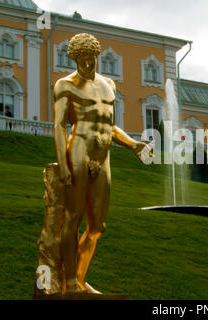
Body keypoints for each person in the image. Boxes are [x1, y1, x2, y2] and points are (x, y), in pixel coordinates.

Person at [53, 33, 151, 293]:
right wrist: (63, 166)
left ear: (97, 56)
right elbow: (60, 126)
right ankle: (70, 282)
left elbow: (110, 126)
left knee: (98, 226)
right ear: (74, 59)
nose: (87, 64)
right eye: (81, 60)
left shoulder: (109, 84)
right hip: (78, 152)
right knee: (73, 218)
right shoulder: (65, 85)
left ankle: (80, 280)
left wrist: (132, 144)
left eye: (91, 59)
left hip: (103, 156)